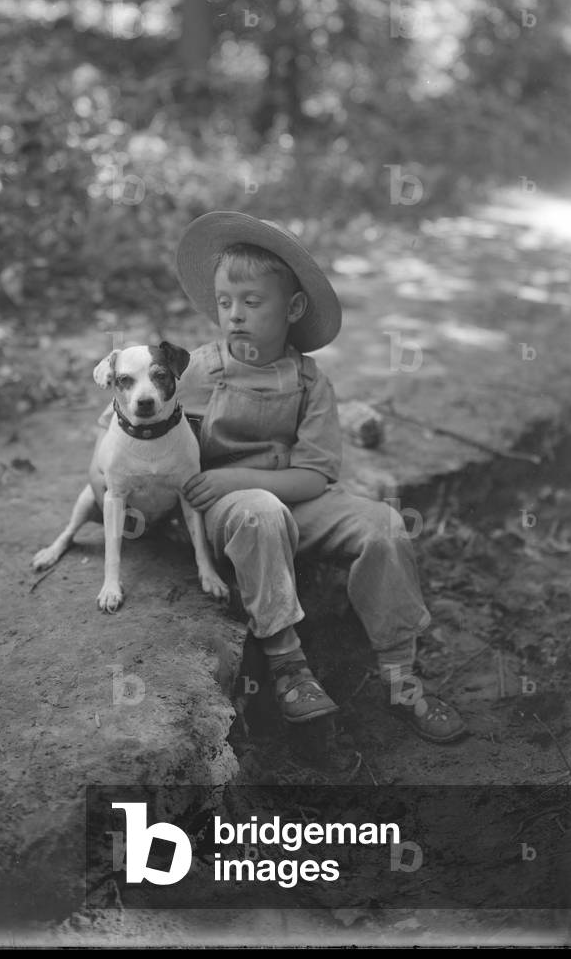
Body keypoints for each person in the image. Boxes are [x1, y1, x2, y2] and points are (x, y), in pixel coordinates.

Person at [173, 212, 467, 743]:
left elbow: (313, 478)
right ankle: (289, 667)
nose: (234, 315)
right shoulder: (197, 371)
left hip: (298, 499)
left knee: (384, 524)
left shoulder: (309, 380)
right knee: (260, 512)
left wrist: (240, 476)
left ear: (294, 309)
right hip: (228, 512)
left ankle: (401, 676)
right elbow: (136, 430)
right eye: (224, 302)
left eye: (252, 302)